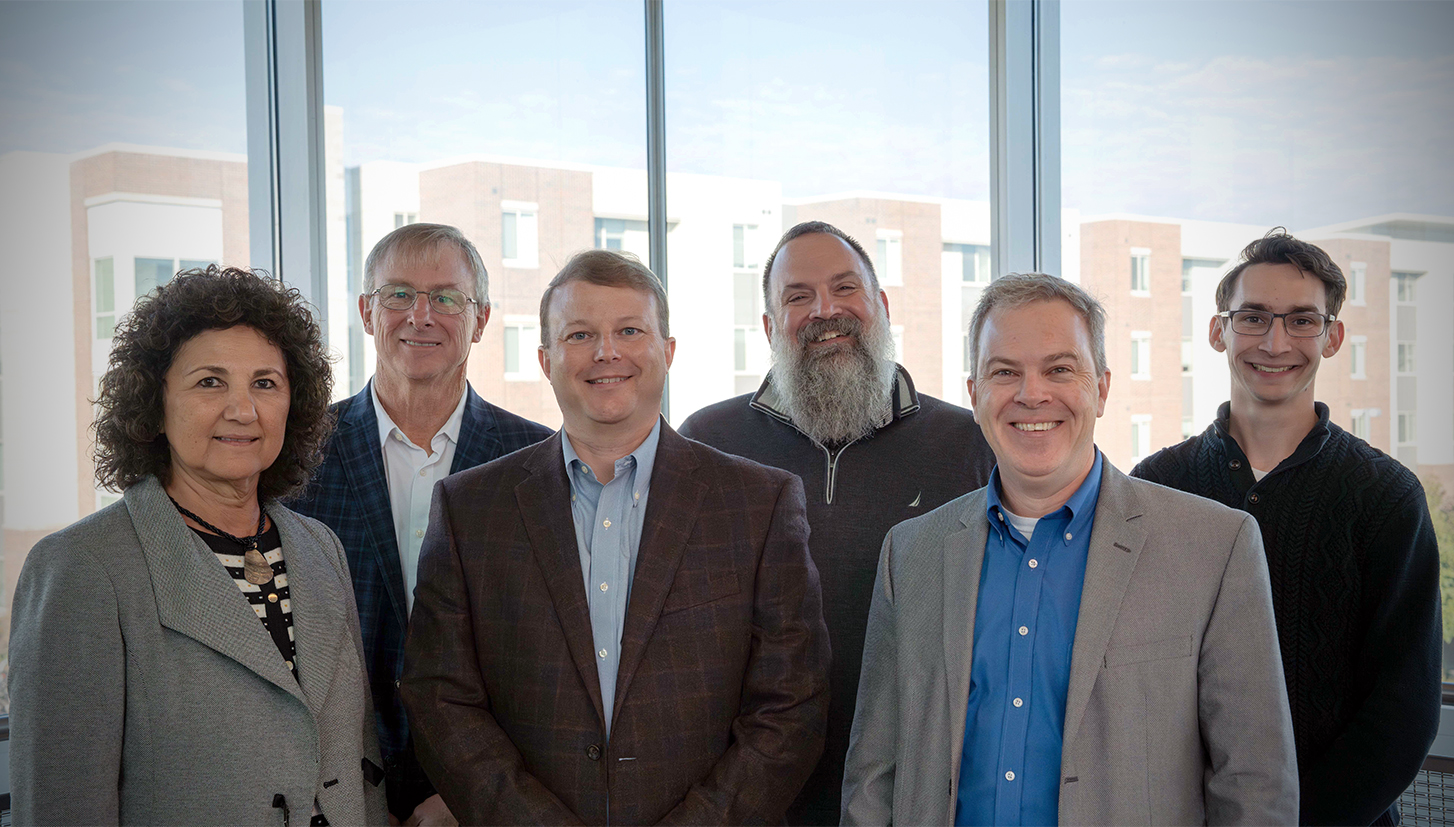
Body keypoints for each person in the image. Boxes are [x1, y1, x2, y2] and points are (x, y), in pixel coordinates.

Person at [842, 272, 1298, 826]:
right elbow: (873, 776)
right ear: (974, 393)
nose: (1032, 393)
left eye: (1059, 369)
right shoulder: (909, 554)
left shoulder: (1214, 549)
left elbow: (1254, 785)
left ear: (1102, 388)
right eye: (1004, 372)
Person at [401, 249, 831, 825]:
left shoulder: (759, 503)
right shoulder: (469, 507)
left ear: (667, 351)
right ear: (545, 359)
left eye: (630, 330)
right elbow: (440, 699)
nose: (607, 352)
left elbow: (791, 708)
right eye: (580, 335)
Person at [9, 266, 386, 826]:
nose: (243, 410)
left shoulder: (319, 547)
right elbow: (61, 804)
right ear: (154, 403)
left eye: (265, 383)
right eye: (210, 381)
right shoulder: (82, 567)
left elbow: (358, 757)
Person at [679, 219, 994, 824]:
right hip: (745, 796)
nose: (826, 310)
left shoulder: (969, 443)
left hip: (918, 789)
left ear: (881, 306)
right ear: (770, 328)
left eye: (845, 288)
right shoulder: (707, 443)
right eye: (798, 296)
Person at [1132, 229, 1441, 826]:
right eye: (1253, 317)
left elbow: (1404, 709)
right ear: (1219, 330)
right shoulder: (1154, 485)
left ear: (1332, 338)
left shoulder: (1385, 496)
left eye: (1302, 320)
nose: (1276, 342)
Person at [289, 223, 551, 825]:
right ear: (366, 312)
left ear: (481, 320)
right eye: (399, 294)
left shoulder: (537, 462)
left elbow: (548, 661)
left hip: (484, 800)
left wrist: (470, 792)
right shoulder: (297, 457)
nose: (421, 315)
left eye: (447, 297)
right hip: (331, 793)